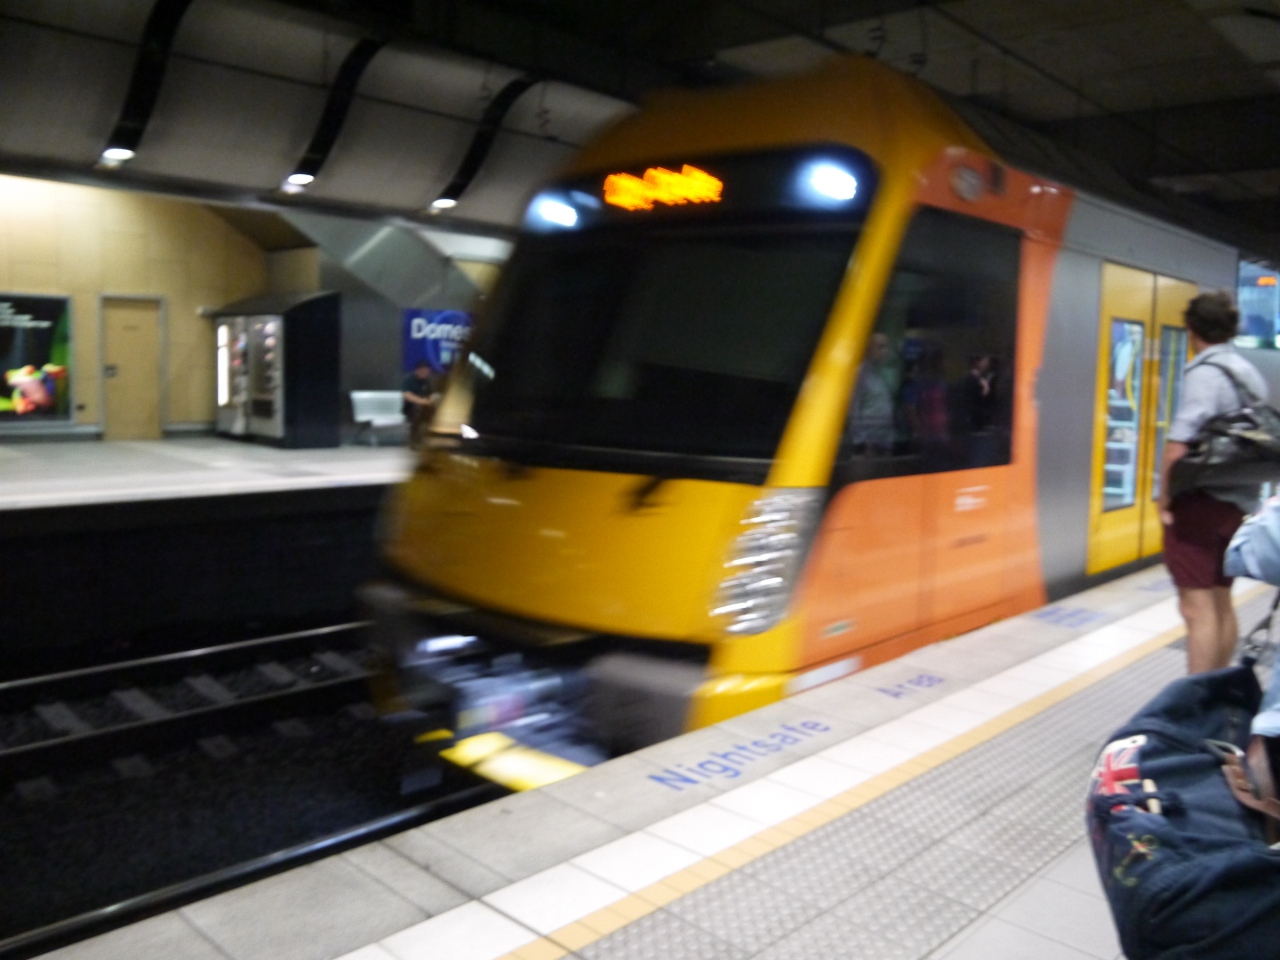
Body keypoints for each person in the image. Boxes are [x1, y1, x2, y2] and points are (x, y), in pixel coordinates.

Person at [1158, 291, 1269, 674]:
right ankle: (1219, 689)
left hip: (1200, 503)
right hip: (1238, 505)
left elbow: (1179, 443)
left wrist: (1164, 498)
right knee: (1222, 600)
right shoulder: (1248, 374)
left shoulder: (1205, 372)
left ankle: (1198, 699)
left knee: (1196, 607)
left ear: (1191, 329)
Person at [848, 332, 896, 454]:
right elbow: (853, 408)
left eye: (886, 346)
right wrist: (860, 443)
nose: (885, 351)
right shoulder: (860, 374)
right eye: (880, 347)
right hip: (867, 445)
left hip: (884, 441)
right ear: (868, 349)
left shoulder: (885, 374)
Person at [402, 360, 442, 448]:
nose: (425, 373)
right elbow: (407, 396)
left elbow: (431, 394)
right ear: (417, 370)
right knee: (418, 410)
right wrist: (423, 401)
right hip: (411, 408)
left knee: (435, 410)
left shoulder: (426, 381)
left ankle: (433, 438)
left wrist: (432, 400)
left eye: (427, 371)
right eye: (423, 371)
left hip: (424, 407)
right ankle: (414, 440)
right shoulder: (409, 380)